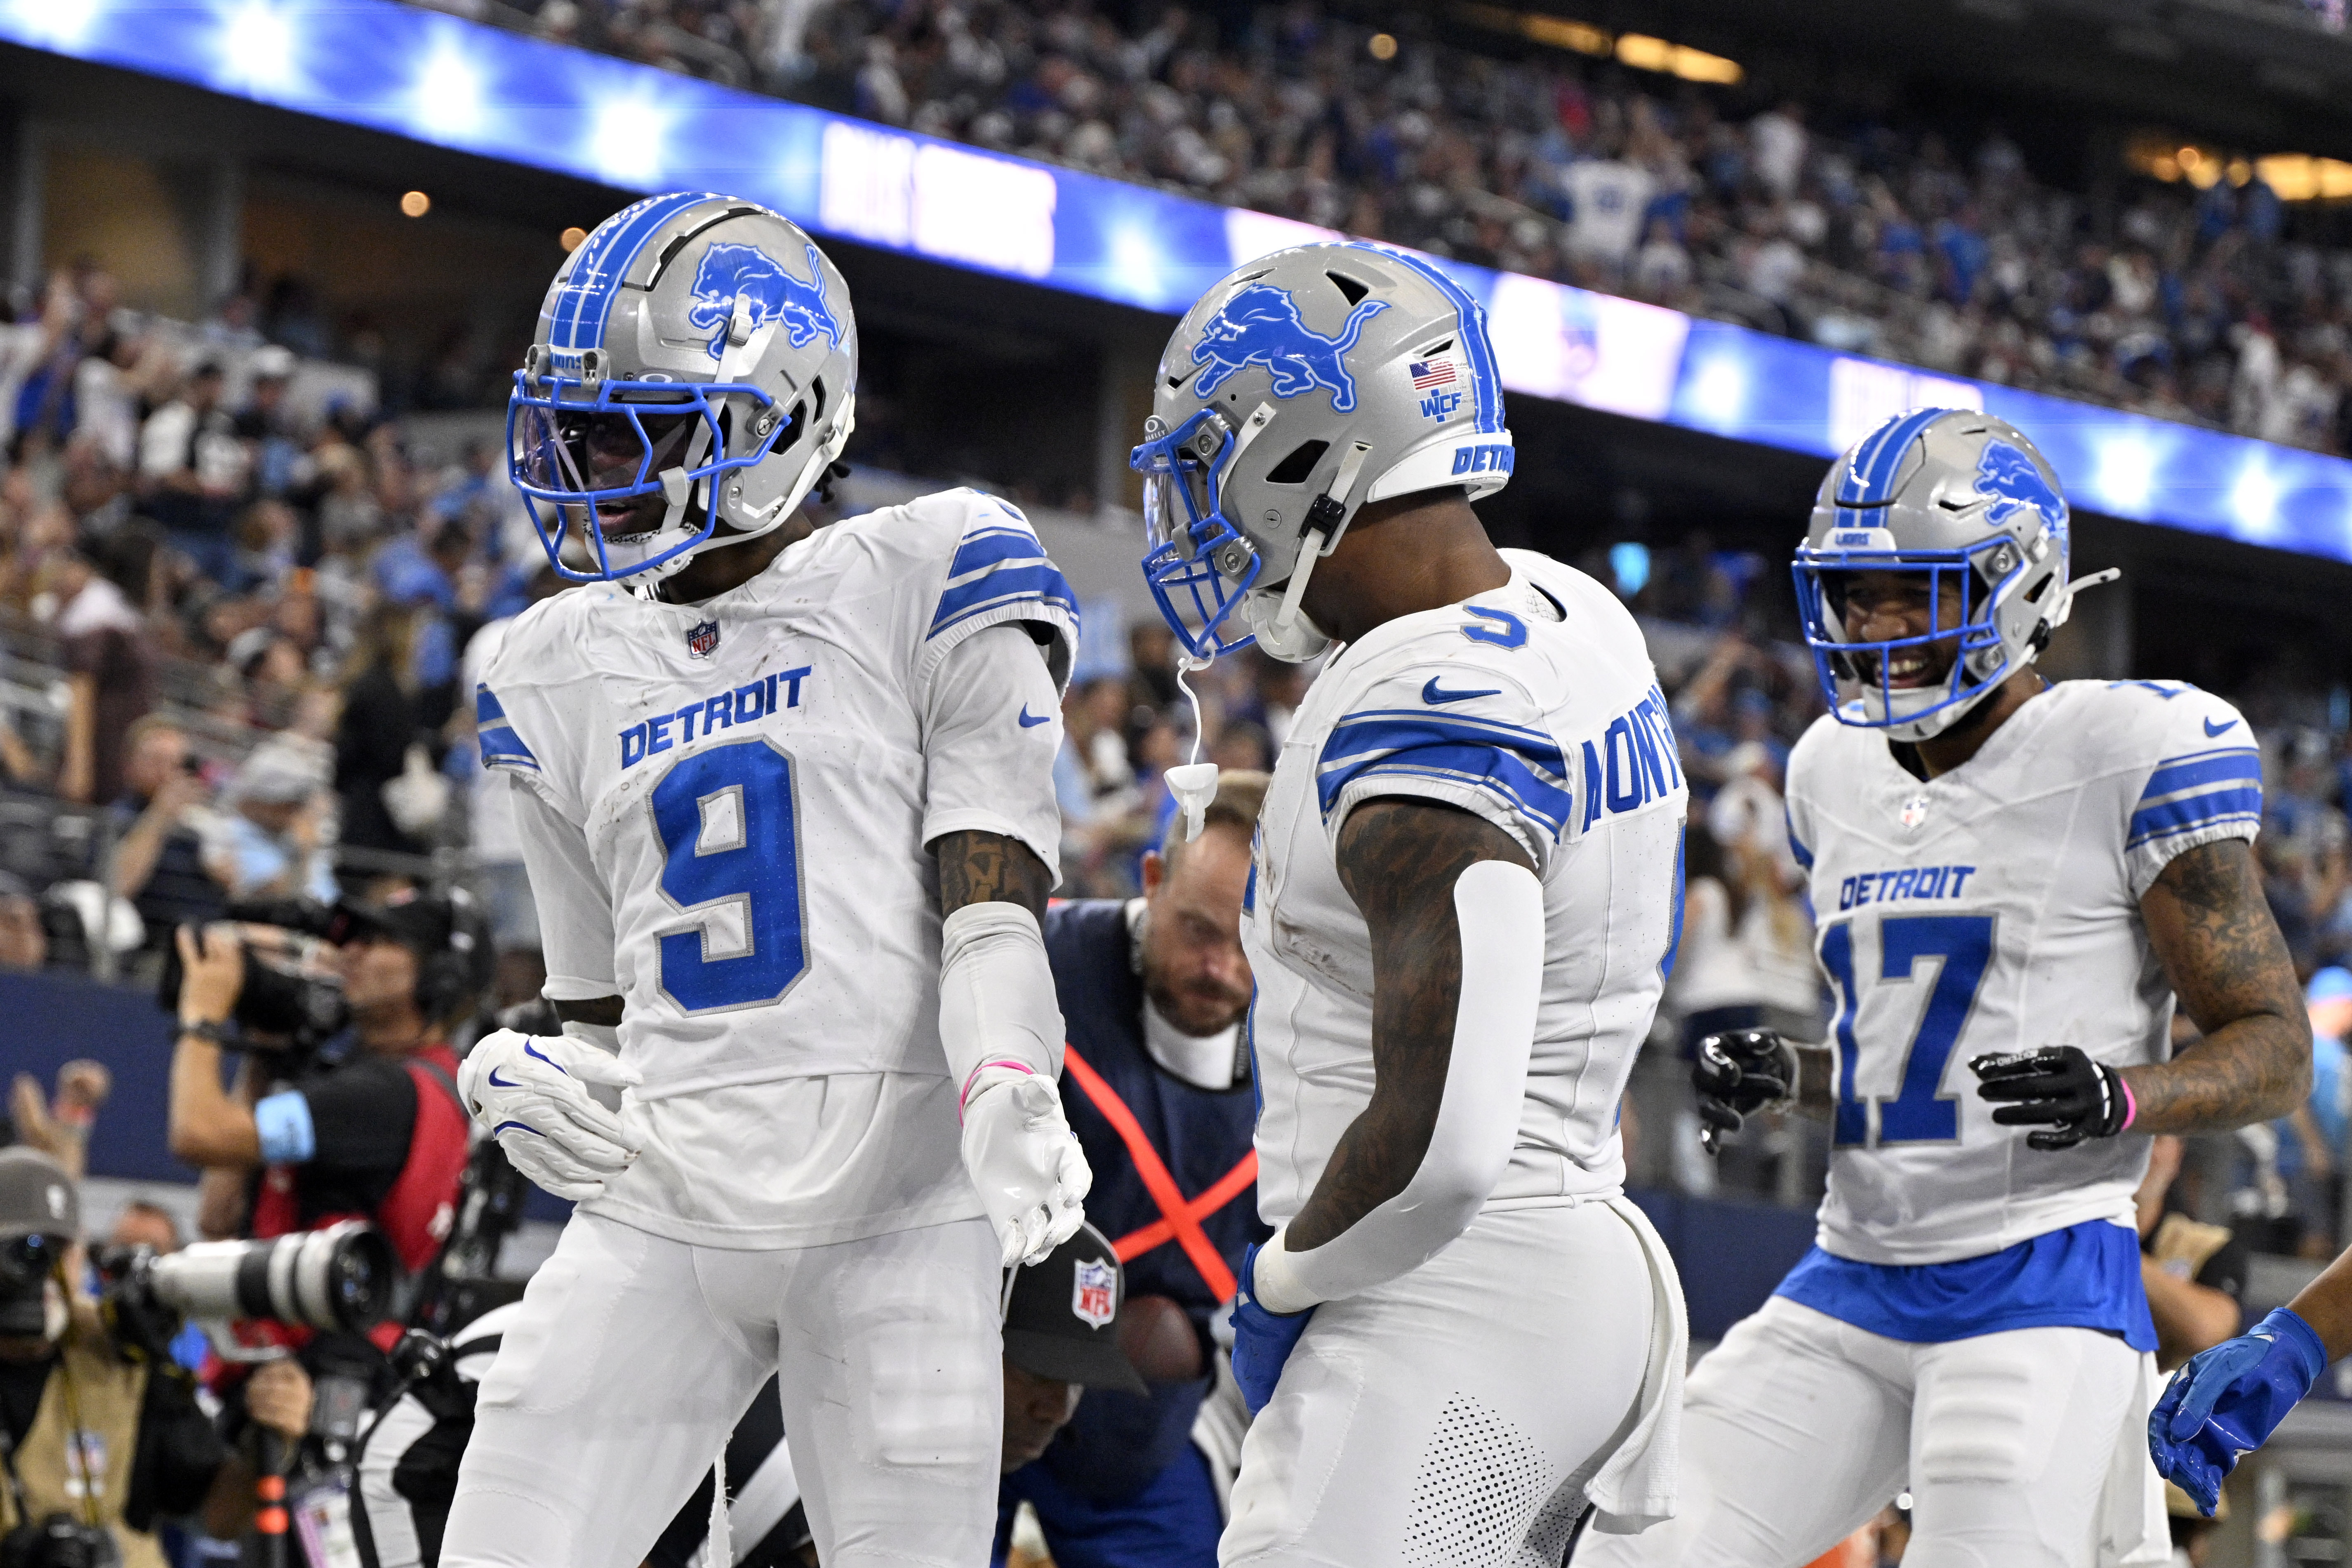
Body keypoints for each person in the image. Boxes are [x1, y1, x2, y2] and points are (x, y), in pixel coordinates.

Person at [441, 193, 1090, 1568]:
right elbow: (597, 1021)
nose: (584, 461)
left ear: (781, 413)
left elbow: (991, 909)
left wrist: (1009, 1082)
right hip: (663, 1198)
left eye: (634, 425)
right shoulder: (545, 668)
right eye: (575, 426)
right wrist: (510, 1071)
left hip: (902, 1199)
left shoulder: (929, 570)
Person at [1584, 409, 2312, 1568]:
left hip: (2039, 1276)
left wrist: (2119, 1095)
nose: (1874, 627)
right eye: (1854, 595)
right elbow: (1926, 1062)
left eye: (1911, 592)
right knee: (1635, 1546)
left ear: (2014, 583)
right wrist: (1794, 1073)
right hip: (1850, 1272)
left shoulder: (2126, 750)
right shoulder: (1828, 769)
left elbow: (2273, 1045)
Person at [1128, 241, 1688, 1563]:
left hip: (1447, 1289)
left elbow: (1444, 1144)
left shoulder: (1417, 713)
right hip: (1577, 1263)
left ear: (1307, 457)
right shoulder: (1567, 608)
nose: (1194, 510)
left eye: (1211, 465)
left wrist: (1274, 1284)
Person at [352, 1224, 1145, 1568]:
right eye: (1037, 1370)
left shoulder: (891, 1424)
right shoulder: (818, 1414)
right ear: (964, 1337)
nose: (1053, 1406)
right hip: (448, 1448)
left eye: (1075, 1382)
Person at [1000, 768, 1269, 1565]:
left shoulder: (1309, 1047)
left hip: (1136, 1420)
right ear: (1151, 880)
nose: (1218, 965)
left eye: (1249, 943)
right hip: (978, 1372)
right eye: (1196, 929)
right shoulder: (1031, 962)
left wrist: (1201, 1334)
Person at [0, 1147, 314, 1561]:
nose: (42, 1274)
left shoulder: (121, 1348)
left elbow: (218, 1514)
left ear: (81, 1254)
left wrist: (271, 1440)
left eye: (58, 1252)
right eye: (22, 1251)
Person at [165, 888, 484, 1289]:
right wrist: (264, 1057)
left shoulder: (384, 1093)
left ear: (441, 976)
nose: (350, 952)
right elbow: (218, 1217)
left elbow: (198, 1135)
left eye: (378, 942)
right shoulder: (398, 1078)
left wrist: (202, 1014)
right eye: (351, 940)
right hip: (291, 1336)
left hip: (314, 1347)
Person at [104, 716, 224, 952]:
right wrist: (160, 814)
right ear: (129, 766)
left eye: (178, 764)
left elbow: (232, 882)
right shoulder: (116, 818)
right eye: (155, 761)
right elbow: (117, 887)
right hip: (151, 945)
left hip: (209, 939)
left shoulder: (200, 822)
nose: (167, 773)